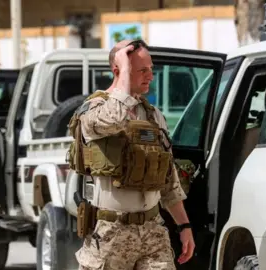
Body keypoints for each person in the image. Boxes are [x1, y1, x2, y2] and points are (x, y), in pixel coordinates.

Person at [69, 39, 195, 269]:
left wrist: (184, 227)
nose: (150, 76)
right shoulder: (93, 110)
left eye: (151, 70)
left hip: (152, 231)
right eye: (141, 70)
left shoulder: (153, 116)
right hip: (110, 234)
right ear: (118, 70)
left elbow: (168, 179)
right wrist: (125, 71)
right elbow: (114, 119)